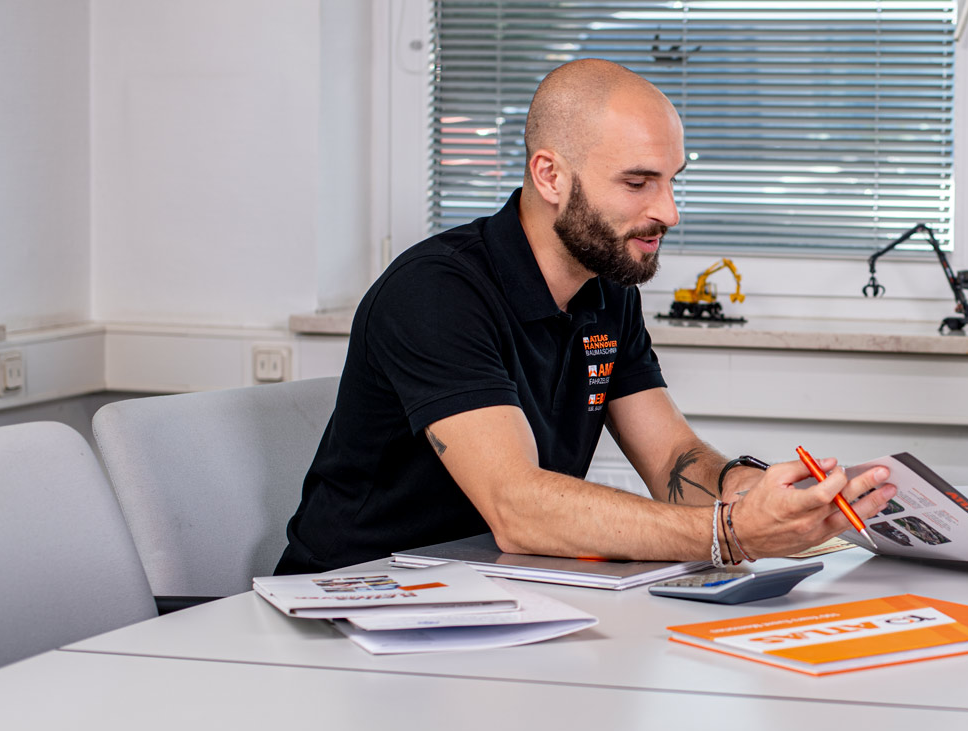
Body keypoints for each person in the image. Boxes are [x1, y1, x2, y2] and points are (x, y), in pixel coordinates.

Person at [277, 60, 895, 575]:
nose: (669, 212)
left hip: (494, 587)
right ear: (550, 175)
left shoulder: (608, 284)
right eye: (638, 183)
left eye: (673, 181)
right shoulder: (435, 292)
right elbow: (519, 509)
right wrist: (732, 533)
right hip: (357, 597)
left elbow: (673, 457)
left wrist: (762, 497)